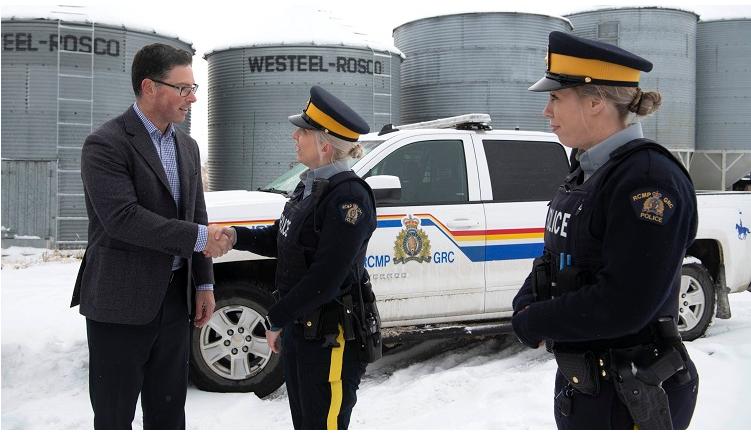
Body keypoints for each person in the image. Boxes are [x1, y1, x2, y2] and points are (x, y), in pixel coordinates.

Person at [511, 31, 699, 430]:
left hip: (632, 393)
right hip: (591, 385)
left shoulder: (647, 181)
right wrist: (528, 299)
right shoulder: (588, 169)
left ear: (595, 101)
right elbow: (563, 254)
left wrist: (536, 321)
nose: (547, 111)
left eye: (556, 98)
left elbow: (625, 303)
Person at [70, 43, 233, 429]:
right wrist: (199, 239)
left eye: (193, 88)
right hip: (119, 301)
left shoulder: (188, 147)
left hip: (176, 298)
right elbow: (122, 219)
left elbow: (197, 214)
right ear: (149, 87)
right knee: (114, 415)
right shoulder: (105, 144)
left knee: (169, 411)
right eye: (183, 88)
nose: (192, 97)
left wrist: (205, 283)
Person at [216, 85, 378, 430]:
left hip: (331, 336)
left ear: (325, 144)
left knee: (324, 425)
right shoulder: (310, 185)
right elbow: (283, 238)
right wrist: (236, 236)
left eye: (302, 131)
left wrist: (275, 318)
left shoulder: (349, 198)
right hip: (302, 328)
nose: (294, 136)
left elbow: (325, 280)